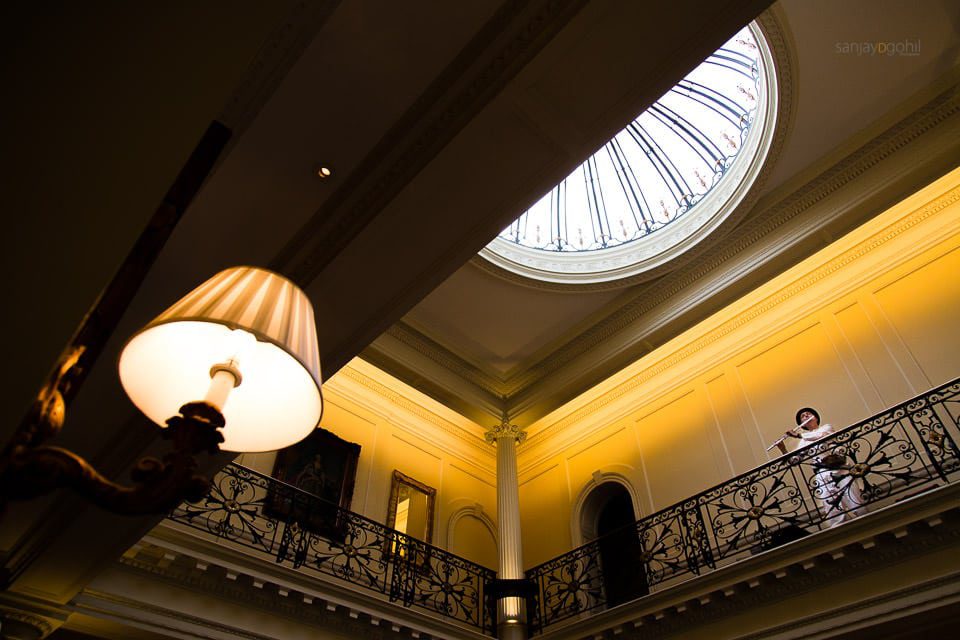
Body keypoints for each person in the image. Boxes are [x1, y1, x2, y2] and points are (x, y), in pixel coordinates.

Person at [784, 407, 862, 528]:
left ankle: (864, 518)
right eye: (802, 417)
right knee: (832, 506)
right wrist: (782, 449)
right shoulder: (803, 441)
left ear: (815, 417)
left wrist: (799, 435)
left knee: (854, 498)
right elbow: (794, 460)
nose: (805, 416)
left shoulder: (826, 427)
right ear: (801, 424)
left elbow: (821, 435)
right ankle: (840, 529)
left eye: (808, 414)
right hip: (822, 474)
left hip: (839, 468)